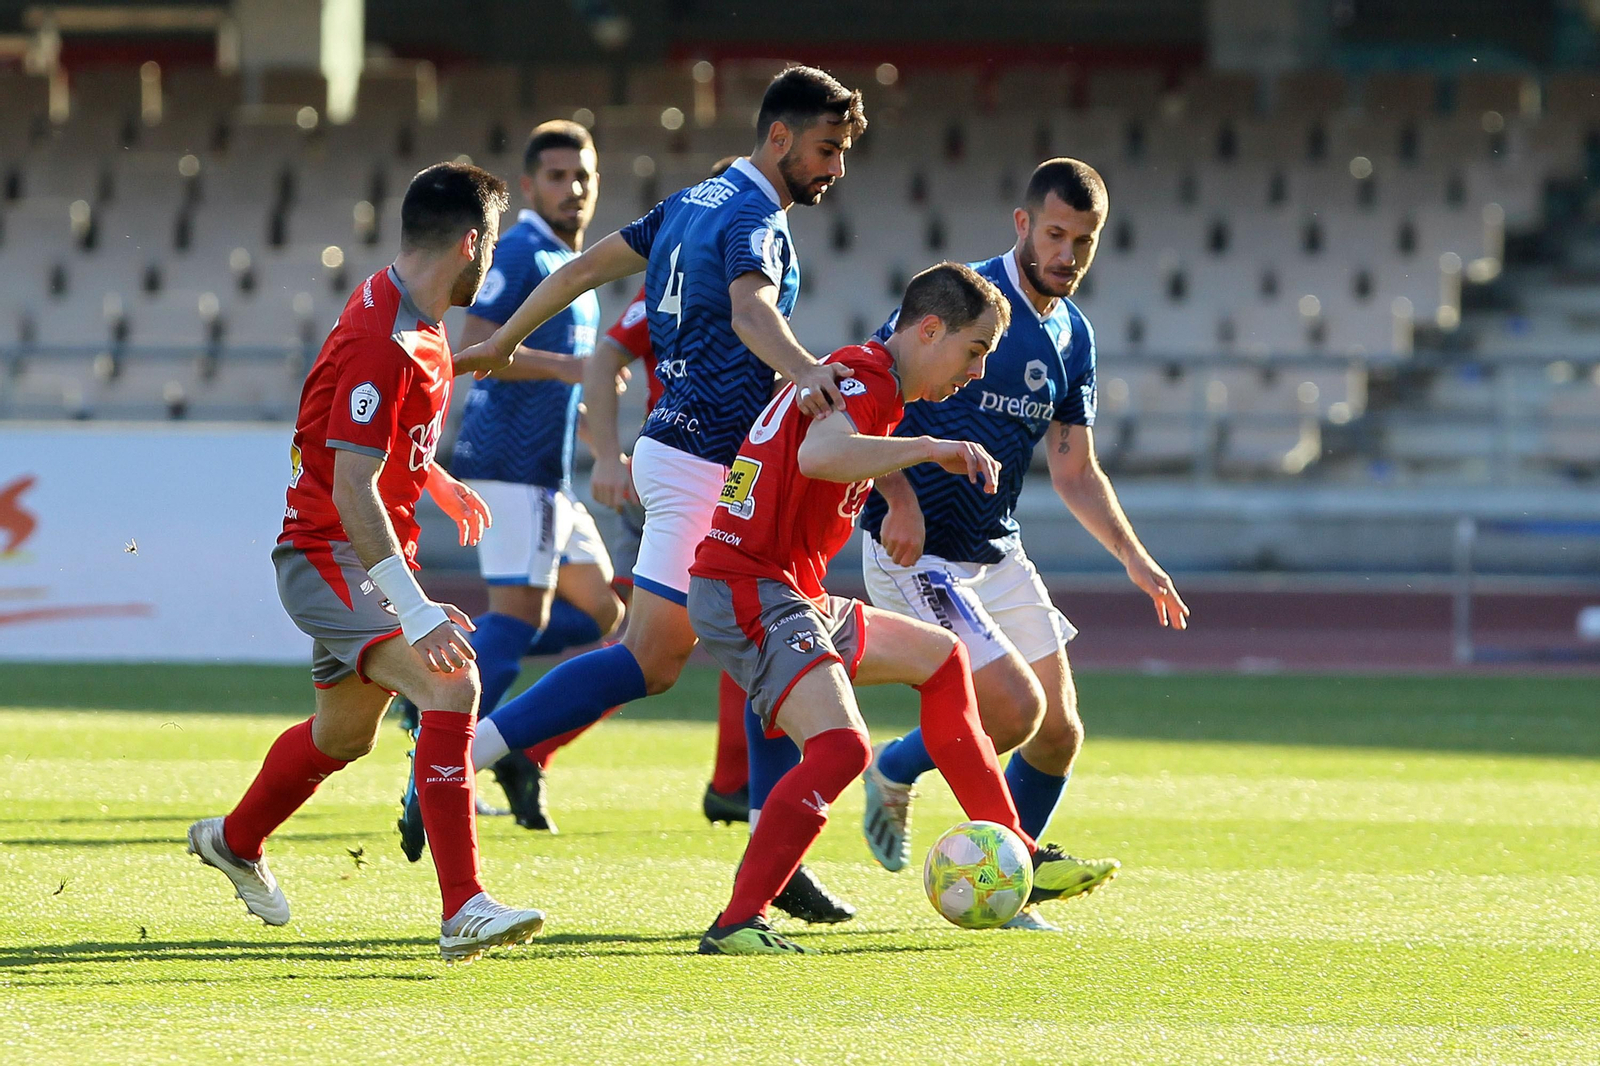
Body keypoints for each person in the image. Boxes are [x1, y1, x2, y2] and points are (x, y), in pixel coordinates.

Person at [451, 64, 871, 924]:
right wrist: (808, 374)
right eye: (827, 149)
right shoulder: (753, 213)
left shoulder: (689, 202)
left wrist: (504, 345)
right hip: (702, 463)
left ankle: (770, 847)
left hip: (701, 458)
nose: (835, 169)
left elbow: (579, 279)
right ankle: (466, 758)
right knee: (653, 657)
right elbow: (754, 314)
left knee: (768, 635)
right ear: (781, 137)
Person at [186, 162, 546, 963]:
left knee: (344, 737)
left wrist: (437, 481)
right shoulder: (388, 337)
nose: (489, 264)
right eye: (490, 248)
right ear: (470, 242)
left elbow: (371, 444)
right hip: (328, 552)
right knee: (452, 678)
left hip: (357, 552)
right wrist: (416, 610)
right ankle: (465, 909)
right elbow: (351, 487)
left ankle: (234, 841)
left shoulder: (414, 315)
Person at [688, 262, 1099, 955]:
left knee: (944, 660)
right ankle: (736, 922)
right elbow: (821, 454)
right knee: (842, 747)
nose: (976, 373)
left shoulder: (869, 377)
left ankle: (1017, 851)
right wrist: (934, 449)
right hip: (747, 585)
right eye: (975, 352)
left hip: (791, 591)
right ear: (930, 330)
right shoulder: (869, 377)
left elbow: (825, 453)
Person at [857, 158, 1190, 930]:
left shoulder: (1075, 337)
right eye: (1054, 234)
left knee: (1059, 733)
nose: (1067, 254)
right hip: (916, 548)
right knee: (1011, 709)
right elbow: (871, 395)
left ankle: (1004, 881)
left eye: (1084, 240)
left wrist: (1135, 557)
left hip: (993, 546)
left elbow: (1074, 469)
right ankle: (898, 771)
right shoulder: (959, 298)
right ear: (1021, 225)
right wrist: (898, 495)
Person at [393, 121, 621, 853]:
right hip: (508, 463)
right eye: (557, 176)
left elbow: (560, 368)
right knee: (519, 618)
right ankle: (433, 754)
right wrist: (569, 371)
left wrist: (586, 421)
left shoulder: (564, 257)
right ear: (529, 187)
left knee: (603, 616)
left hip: (549, 471)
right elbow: (476, 347)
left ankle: (496, 720)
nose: (573, 188)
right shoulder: (521, 249)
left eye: (582, 175)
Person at [590, 275, 753, 826]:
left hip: (701, 474)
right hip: (683, 476)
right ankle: (509, 744)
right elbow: (607, 352)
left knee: (733, 627)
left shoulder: (749, 281)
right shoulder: (679, 283)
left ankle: (736, 782)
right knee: (656, 651)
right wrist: (607, 455)